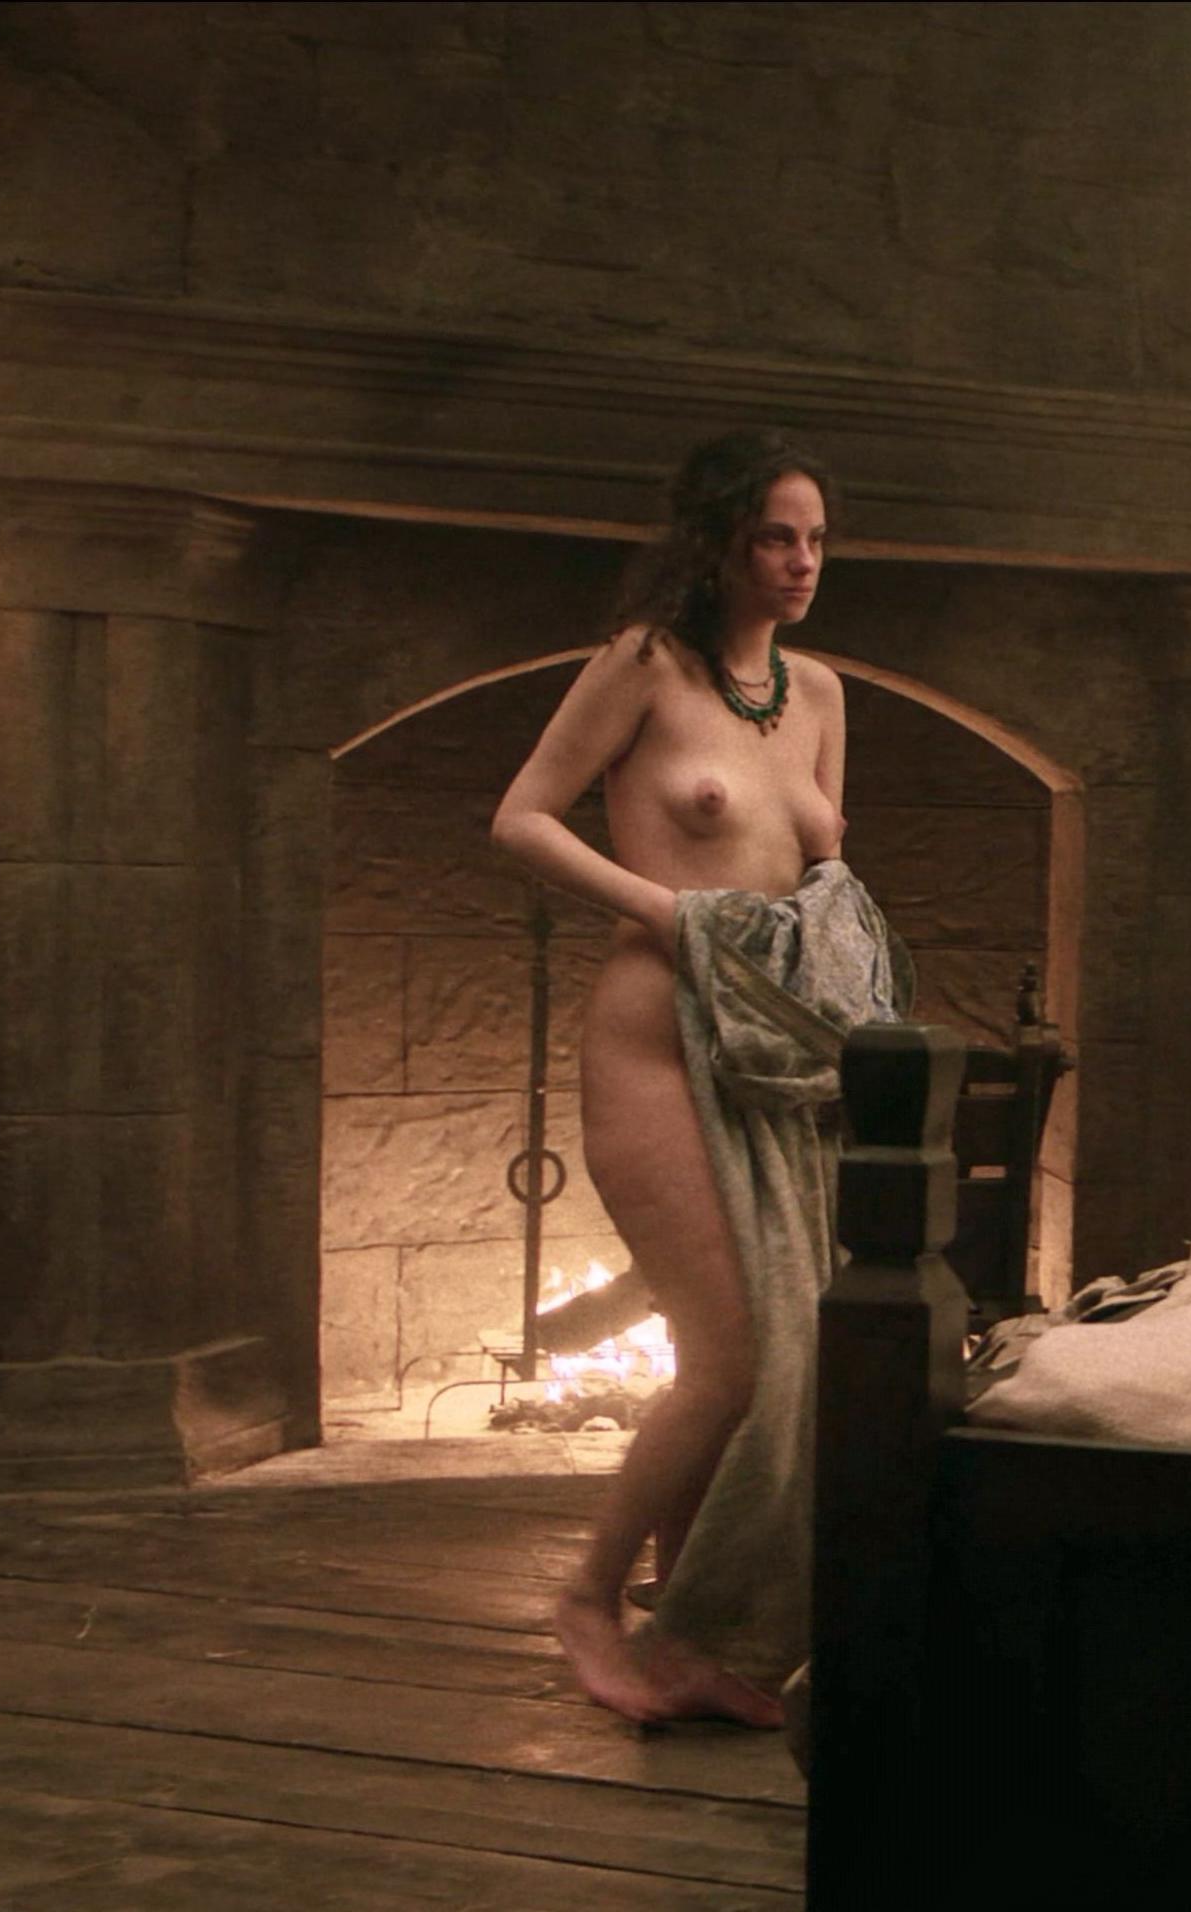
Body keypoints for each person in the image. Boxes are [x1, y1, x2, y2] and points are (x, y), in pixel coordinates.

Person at [494, 429, 849, 1725]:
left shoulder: (820, 694)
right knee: (733, 1357)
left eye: (817, 538)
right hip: (657, 1031)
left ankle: (694, 1631)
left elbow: (820, 870)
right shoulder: (646, 664)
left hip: (776, 1046)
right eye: (775, 537)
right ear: (719, 544)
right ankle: (587, 1597)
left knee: (795, 1349)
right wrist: (672, 912)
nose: (802, 561)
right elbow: (520, 816)